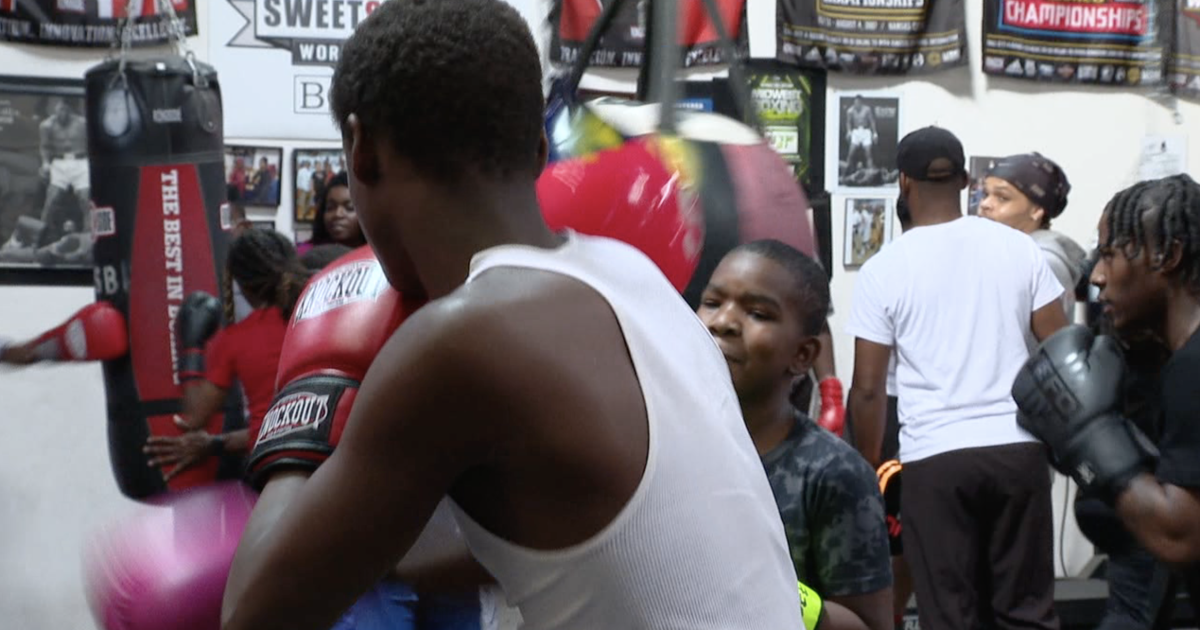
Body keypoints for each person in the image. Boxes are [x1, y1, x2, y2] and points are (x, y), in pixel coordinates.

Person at [220, 0, 803, 628]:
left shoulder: (461, 340)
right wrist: (358, 549)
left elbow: (253, 615)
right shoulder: (631, 273)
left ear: (361, 149)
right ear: (538, 146)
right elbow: (526, 541)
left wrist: (311, 397)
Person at [846, 126, 1067, 630]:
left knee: (950, 616)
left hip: (936, 459)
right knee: (1028, 614)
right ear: (967, 180)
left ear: (903, 182)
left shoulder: (884, 269)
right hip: (1017, 451)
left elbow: (868, 389)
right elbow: (1061, 352)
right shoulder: (1019, 248)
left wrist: (869, 465)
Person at [1013, 174, 1200, 609]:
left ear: (1168, 256)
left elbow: (1180, 538)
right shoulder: (1174, 362)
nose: (1096, 275)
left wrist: (1087, 436)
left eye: (1111, 255)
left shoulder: (1192, 369)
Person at [697, 240, 894, 630]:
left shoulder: (832, 472)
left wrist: (774, 587)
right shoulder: (668, 446)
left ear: (803, 355)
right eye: (712, 302)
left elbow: (870, 624)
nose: (723, 322)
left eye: (758, 313)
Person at [142, 229, 307, 481]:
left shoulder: (237, 339)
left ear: (241, 285)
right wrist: (216, 443)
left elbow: (194, 418)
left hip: (273, 469)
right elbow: (295, 426)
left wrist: (191, 347)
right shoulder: (319, 316)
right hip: (328, 459)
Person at [979, 152, 1088, 326]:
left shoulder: (1044, 262)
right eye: (985, 194)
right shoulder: (996, 252)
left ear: (1036, 210)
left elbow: (1048, 337)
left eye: (1002, 198)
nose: (985, 204)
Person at [38, 97, 90, 246]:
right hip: (59, 163)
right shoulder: (47, 125)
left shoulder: (82, 124)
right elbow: (44, 147)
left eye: (64, 110)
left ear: (69, 109)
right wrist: (45, 163)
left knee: (85, 199)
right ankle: (41, 237)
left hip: (80, 162)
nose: (61, 113)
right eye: (58, 110)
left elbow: (91, 144)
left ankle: (88, 237)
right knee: (51, 200)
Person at [309, 170, 367, 250]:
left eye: (349, 208)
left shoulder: (380, 255)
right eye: (330, 207)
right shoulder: (306, 253)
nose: (337, 214)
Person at [844, 95, 878, 175]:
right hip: (856, 131)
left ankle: (870, 172)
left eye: (858, 102)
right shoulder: (850, 111)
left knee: (868, 153)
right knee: (851, 152)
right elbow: (848, 122)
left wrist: (874, 133)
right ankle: (846, 172)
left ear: (861, 102)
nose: (856, 104)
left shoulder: (867, 110)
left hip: (866, 131)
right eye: (855, 103)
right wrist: (848, 131)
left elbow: (872, 121)